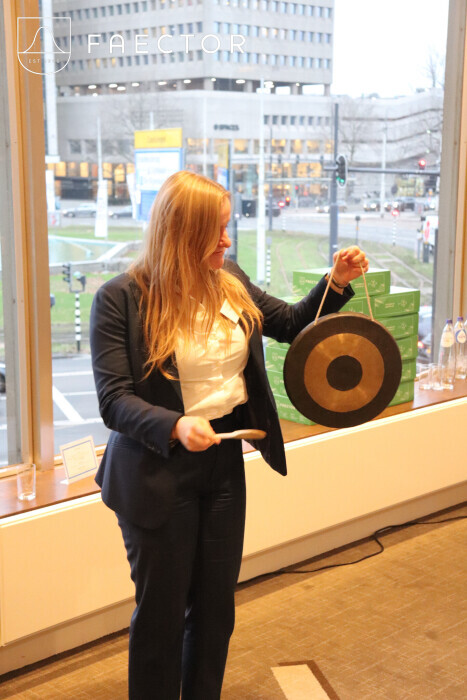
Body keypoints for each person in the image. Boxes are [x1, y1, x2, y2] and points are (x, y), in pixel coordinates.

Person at [90, 170, 369, 699]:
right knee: (162, 615)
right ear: (181, 233)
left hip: (221, 462)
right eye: (215, 231)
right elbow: (114, 399)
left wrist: (334, 282)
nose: (226, 240)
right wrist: (174, 424)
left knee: (215, 611)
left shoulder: (229, 278)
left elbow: (289, 322)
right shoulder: (121, 298)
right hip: (154, 468)